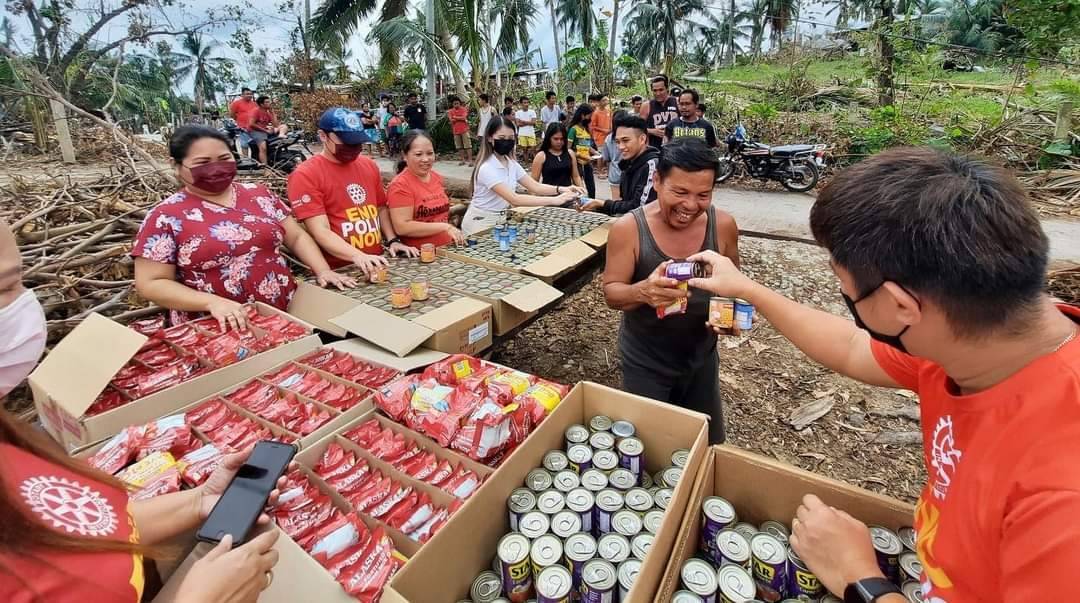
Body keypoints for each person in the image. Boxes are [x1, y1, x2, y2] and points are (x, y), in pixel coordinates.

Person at [685, 147, 1080, 602]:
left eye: (844, 286)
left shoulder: (1060, 499)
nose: (844, 294)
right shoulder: (974, 339)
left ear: (900, 306)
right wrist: (747, 288)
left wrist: (858, 577)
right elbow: (852, 347)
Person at [134, 126, 352, 329]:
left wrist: (322, 270)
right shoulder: (165, 216)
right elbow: (150, 283)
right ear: (176, 165)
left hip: (284, 312)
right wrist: (211, 302)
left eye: (224, 158)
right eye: (203, 162)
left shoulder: (259, 195)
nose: (216, 167)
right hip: (217, 325)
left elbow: (296, 237)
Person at [602, 137, 738, 445]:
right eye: (680, 192)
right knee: (649, 445)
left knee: (705, 442)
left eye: (703, 195)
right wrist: (643, 292)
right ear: (657, 181)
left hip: (702, 358)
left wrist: (728, 318)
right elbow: (612, 293)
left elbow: (732, 285)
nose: (690, 205)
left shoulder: (723, 226)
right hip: (645, 361)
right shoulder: (629, 229)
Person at [287, 108, 418, 278]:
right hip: (339, 270)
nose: (353, 148)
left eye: (357, 143)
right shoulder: (306, 175)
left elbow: (380, 207)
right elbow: (320, 231)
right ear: (323, 136)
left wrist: (392, 240)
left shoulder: (368, 165)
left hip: (375, 260)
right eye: (347, 143)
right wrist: (357, 256)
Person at [462, 116, 582, 235]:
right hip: (480, 222)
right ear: (489, 138)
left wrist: (561, 189)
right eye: (502, 138)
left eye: (511, 138)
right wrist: (556, 200)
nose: (506, 142)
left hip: (500, 219)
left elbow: (535, 186)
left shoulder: (511, 163)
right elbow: (514, 198)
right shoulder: (487, 168)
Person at [387, 130, 466, 248]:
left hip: (448, 247)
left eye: (430, 153)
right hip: (421, 252)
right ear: (404, 156)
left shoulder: (436, 177)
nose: (425, 159)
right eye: (418, 154)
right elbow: (402, 227)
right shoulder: (400, 185)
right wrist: (445, 227)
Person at [583, 114, 659, 215]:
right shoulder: (628, 163)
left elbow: (640, 208)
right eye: (617, 142)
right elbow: (626, 202)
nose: (620, 147)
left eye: (625, 140)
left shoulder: (652, 166)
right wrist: (598, 206)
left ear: (642, 139)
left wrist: (603, 204)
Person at [531, 122, 583, 193]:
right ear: (549, 138)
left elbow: (576, 176)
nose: (559, 142)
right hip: (549, 196)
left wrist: (582, 190)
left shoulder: (570, 153)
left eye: (562, 139)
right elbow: (533, 184)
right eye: (556, 139)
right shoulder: (541, 156)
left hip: (568, 195)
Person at [566, 104, 598, 199]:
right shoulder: (573, 130)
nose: (590, 118)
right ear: (582, 115)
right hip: (577, 163)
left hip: (587, 162)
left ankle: (592, 203)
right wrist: (580, 155)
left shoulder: (585, 129)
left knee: (591, 187)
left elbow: (587, 146)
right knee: (579, 188)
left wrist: (596, 153)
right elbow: (568, 149)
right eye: (589, 116)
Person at [640, 75, 679, 148]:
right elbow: (639, 128)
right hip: (655, 149)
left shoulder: (677, 102)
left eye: (661, 90)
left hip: (677, 147)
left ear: (667, 89)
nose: (658, 93)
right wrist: (652, 131)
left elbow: (689, 123)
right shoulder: (646, 106)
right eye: (655, 90)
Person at [600, 109, 628, 200]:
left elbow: (606, 158)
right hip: (629, 172)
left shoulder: (609, 138)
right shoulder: (631, 137)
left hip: (615, 173)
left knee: (616, 201)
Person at [228, 87, 258, 158]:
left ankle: (255, 160)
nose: (249, 95)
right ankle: (246, 160)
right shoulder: (236, 103)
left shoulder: (255, 104)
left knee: (255, 145)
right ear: (242, 95)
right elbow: (232, 114)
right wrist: (240, 121)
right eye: (247, 94)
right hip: (243, 128)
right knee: (244, 145)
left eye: (250, 94)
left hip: (254, 128)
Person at [250, 95, 280, 165]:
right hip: (256, 131)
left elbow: (276, 125)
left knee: (283, 126)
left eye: (269, 102)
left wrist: (272, 113)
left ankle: (281, 135)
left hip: (266, 130)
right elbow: (251, 124)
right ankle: (265, 167)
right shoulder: (256, 111)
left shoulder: (267, 112)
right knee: (263, 148)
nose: (269, 103)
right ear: (262, 104)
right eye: (267, 102)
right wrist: (265, 131)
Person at [447, 96, 472, 165]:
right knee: (459, 146)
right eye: (454, 103)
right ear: (452, 104)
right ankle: (462, 160)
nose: (456, 105)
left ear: (460, 103)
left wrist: (455, 117)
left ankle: (470, 161)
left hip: (464, 130)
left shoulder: (464, 109)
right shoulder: (450, 111)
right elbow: (451, 120)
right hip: (456, 131)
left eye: (457, 103)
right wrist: (459, 118)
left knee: (468, 146)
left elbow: (464, 117)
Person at [515, 96, 538, 163]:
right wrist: (529, 122)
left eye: (527, 102)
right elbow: (518, 124)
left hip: (531, 133)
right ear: (521, 104)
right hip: (522, 134)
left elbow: (533, 122)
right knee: (524, 150)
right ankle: (526, 164)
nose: (526, 104)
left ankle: (536, 164)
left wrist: (523, 121)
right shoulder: (518, 113)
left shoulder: (532, 112)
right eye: (524, 103)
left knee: (533, 149)